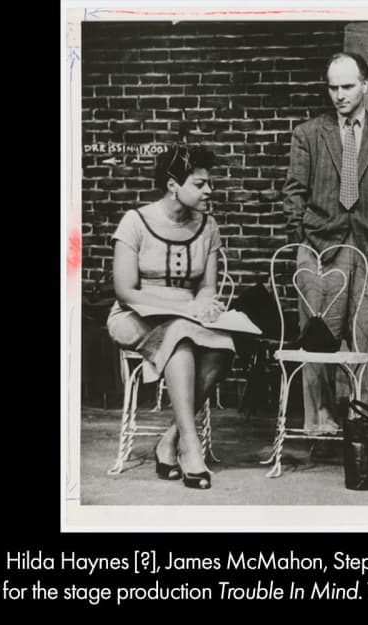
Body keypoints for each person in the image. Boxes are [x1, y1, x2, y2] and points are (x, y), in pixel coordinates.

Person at [283, 52, 368, 433]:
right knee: (318, 334)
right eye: (333, 87)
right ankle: (319, 418)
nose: (339, 95)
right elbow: (294, 193)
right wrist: (305, 234)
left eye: (348, 86)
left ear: (365, 85)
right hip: (321, 246)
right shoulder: (308, 133)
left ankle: (361, 415)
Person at [106, 144, 234, 490]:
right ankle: (192, 449)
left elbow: (207, 286)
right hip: (134, 316)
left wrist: (207, 303)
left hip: (188, 320)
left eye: (210, 183)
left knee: (223, 347)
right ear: (173, 185)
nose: (209, 191)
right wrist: (184, 309)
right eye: (200, 184)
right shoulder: (135, 221)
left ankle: (170, 440)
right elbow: (125, 291)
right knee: (181, 338)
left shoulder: (208, 226)